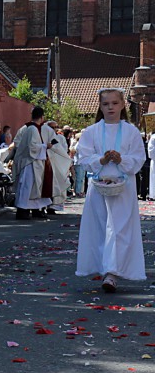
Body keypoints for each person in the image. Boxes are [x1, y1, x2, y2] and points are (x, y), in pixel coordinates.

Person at [74, 88, 146, 292]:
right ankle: (103, 267)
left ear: (122, 104)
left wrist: (121, 159)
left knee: (120, 229)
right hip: (99, 188)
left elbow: (139, 158)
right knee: (100, 227)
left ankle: (113, 272)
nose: (110, 107)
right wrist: (102, 160)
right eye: (106, 104)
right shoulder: (91, 132)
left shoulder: (131, 131)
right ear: (100, 106)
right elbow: (84, 159)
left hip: (124, 188)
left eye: (114, 103)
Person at [11, 106, 53, 220]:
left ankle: (33, 209)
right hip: (30, 163)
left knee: (33, 188)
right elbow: (32, 147)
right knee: (27, 187)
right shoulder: (33, 129)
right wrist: (46, 146)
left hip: (33, 162)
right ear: (42, 117)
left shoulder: (32, 128)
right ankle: (22, 211)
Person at [45, 120, 71, 211]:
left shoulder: (61, 138)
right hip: (47, 164)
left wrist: (54, 148)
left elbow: (64, 150)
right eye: (52, 127)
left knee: (58, 184)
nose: (54, 129)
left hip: (58, 164)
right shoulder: (43, 136)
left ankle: (54, 205)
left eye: (56, 127)